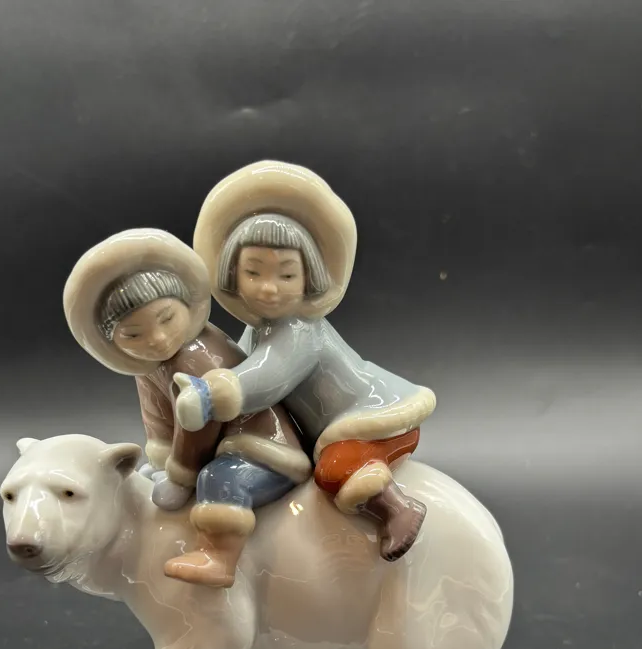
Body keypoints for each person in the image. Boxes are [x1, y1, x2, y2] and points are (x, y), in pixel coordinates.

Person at [175, 161, 436, 562]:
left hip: (371, 420)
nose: (268, 288)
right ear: (231, 274)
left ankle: (397, 509)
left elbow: (266, 377)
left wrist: (210, 395)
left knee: (335, 470)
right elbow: (241, 359)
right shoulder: (260, 329)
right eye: (253, 272)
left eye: (286, 276)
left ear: (308, 278)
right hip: (331, 427)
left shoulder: (300, 331)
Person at [63, 228, 310, 587]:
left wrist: (181, 476)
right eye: (133, 335)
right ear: (112, 341)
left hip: (262, 449)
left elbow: (199, 427)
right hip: (212, 449)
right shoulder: (149, 366)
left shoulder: (194, 357)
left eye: (167, 318)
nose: (157, 339)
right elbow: (157, 418)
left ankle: (219, 557)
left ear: (186, 306)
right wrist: (161, 458)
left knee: (220, 479)